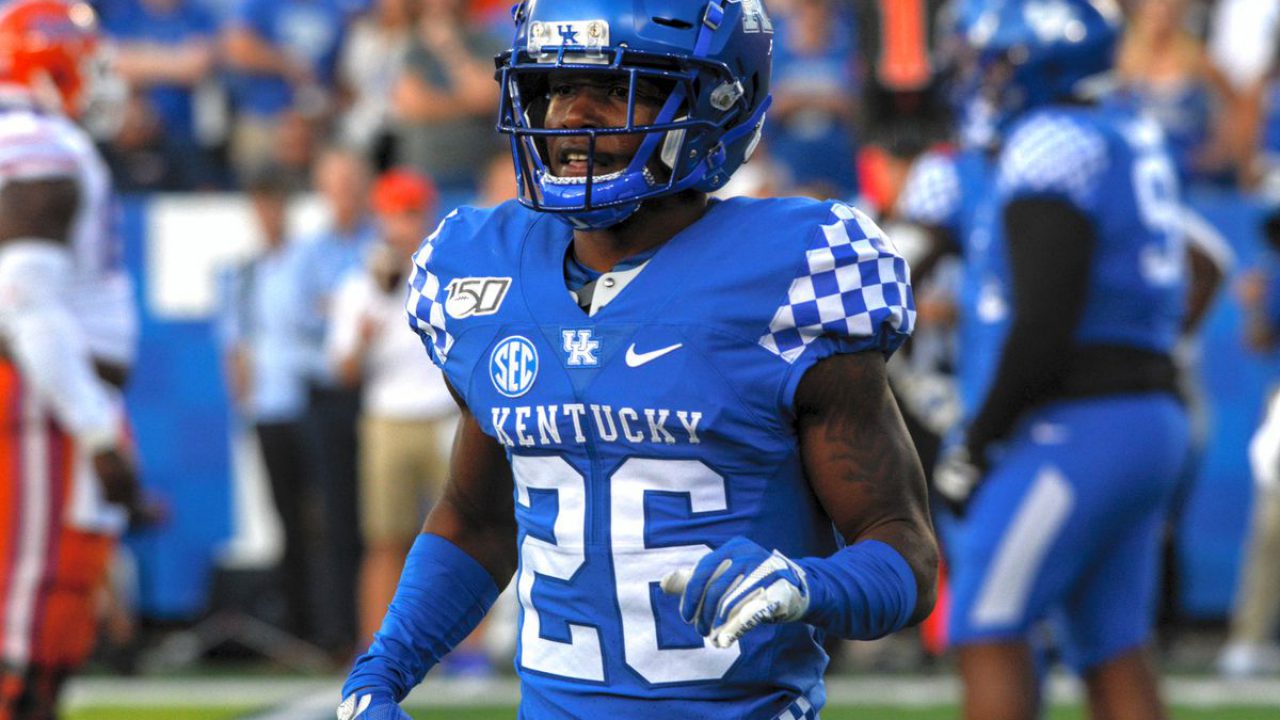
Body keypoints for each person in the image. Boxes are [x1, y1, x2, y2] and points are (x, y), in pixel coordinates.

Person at [338, 0, 939, 717]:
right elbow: (477, 521)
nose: (571, 115)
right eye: (557, 86)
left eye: (617, 89)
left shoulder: (793, 276)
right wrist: (382, 671)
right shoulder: (483, 267)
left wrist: (808, 586)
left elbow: (904, 551)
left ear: (716, 101)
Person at [930, 2, 1191, 719]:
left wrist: (979, 440)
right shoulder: (1127, 129)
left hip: (1077, 426)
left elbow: (1044, 323)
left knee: (986, 626)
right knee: (1113, 645)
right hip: (1146, 412)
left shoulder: (1048, 138)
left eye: (997, 63)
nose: (983, 78)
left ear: (1042, 61)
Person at [0, 1, 156, 718]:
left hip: (57, 394)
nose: (99, 78)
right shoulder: (34, 139)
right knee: (24, 634)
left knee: (58, 623)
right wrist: (97, 431)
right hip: (47, 400)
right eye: (86, 62)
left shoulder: (39, 137)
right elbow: (25, 298)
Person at [325, 169, 459, 650]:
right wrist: (363, 339)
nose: (404, 225)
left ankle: (469, 650)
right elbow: (343, 372)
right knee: (386, 540)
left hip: (446, 416)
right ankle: (376, 646)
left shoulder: (450, 276)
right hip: (388, 419)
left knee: (462, 537)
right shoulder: (359, 284)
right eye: (396, 214)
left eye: (412, 214)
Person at [215, 164, 315, 645]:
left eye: (274, 205)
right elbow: (235, 343)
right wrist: (245, 400)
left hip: (310, 399)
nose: (268, 215)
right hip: (270, 406)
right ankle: (299, 625)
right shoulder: (246, 273)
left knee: (320, 515)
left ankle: (330, 621)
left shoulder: (307, 262)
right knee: (286, 515)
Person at [291, 145, 379, 658]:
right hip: (329, 395)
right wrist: (349, 312)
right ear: (323, 191)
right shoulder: (309, 253)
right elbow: (303, 320)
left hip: (379, 391)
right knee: (334, 513)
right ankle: (339, 632)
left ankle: (386, 627)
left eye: (353, 183)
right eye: (337, 185)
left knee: (386, 517)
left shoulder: (383, 244)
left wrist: (340, 309)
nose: (346, 194)